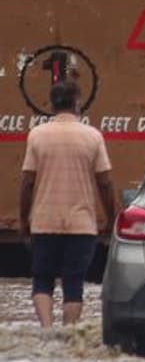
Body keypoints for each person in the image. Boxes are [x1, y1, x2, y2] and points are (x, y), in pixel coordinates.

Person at [18, 81, 116, 328]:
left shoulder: (37, 136)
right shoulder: (92, 137)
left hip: (43, 221)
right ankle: (68, 333)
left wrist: (24, 219)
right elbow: (105, 182)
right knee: (73, 284)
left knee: (42, 281)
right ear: (77, 103)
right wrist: (112, 218)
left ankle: (47, 330)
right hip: (81, 225)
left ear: (52, 104)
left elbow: (27, 183)